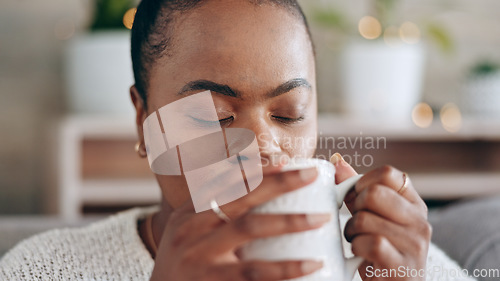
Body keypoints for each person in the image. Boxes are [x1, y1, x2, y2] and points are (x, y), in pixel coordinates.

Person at [0, 0, 476, 280]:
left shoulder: (396, 262)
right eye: (215, 117)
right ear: (143, 118)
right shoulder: (48, 268)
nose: (263, 146)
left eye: (289, 115)